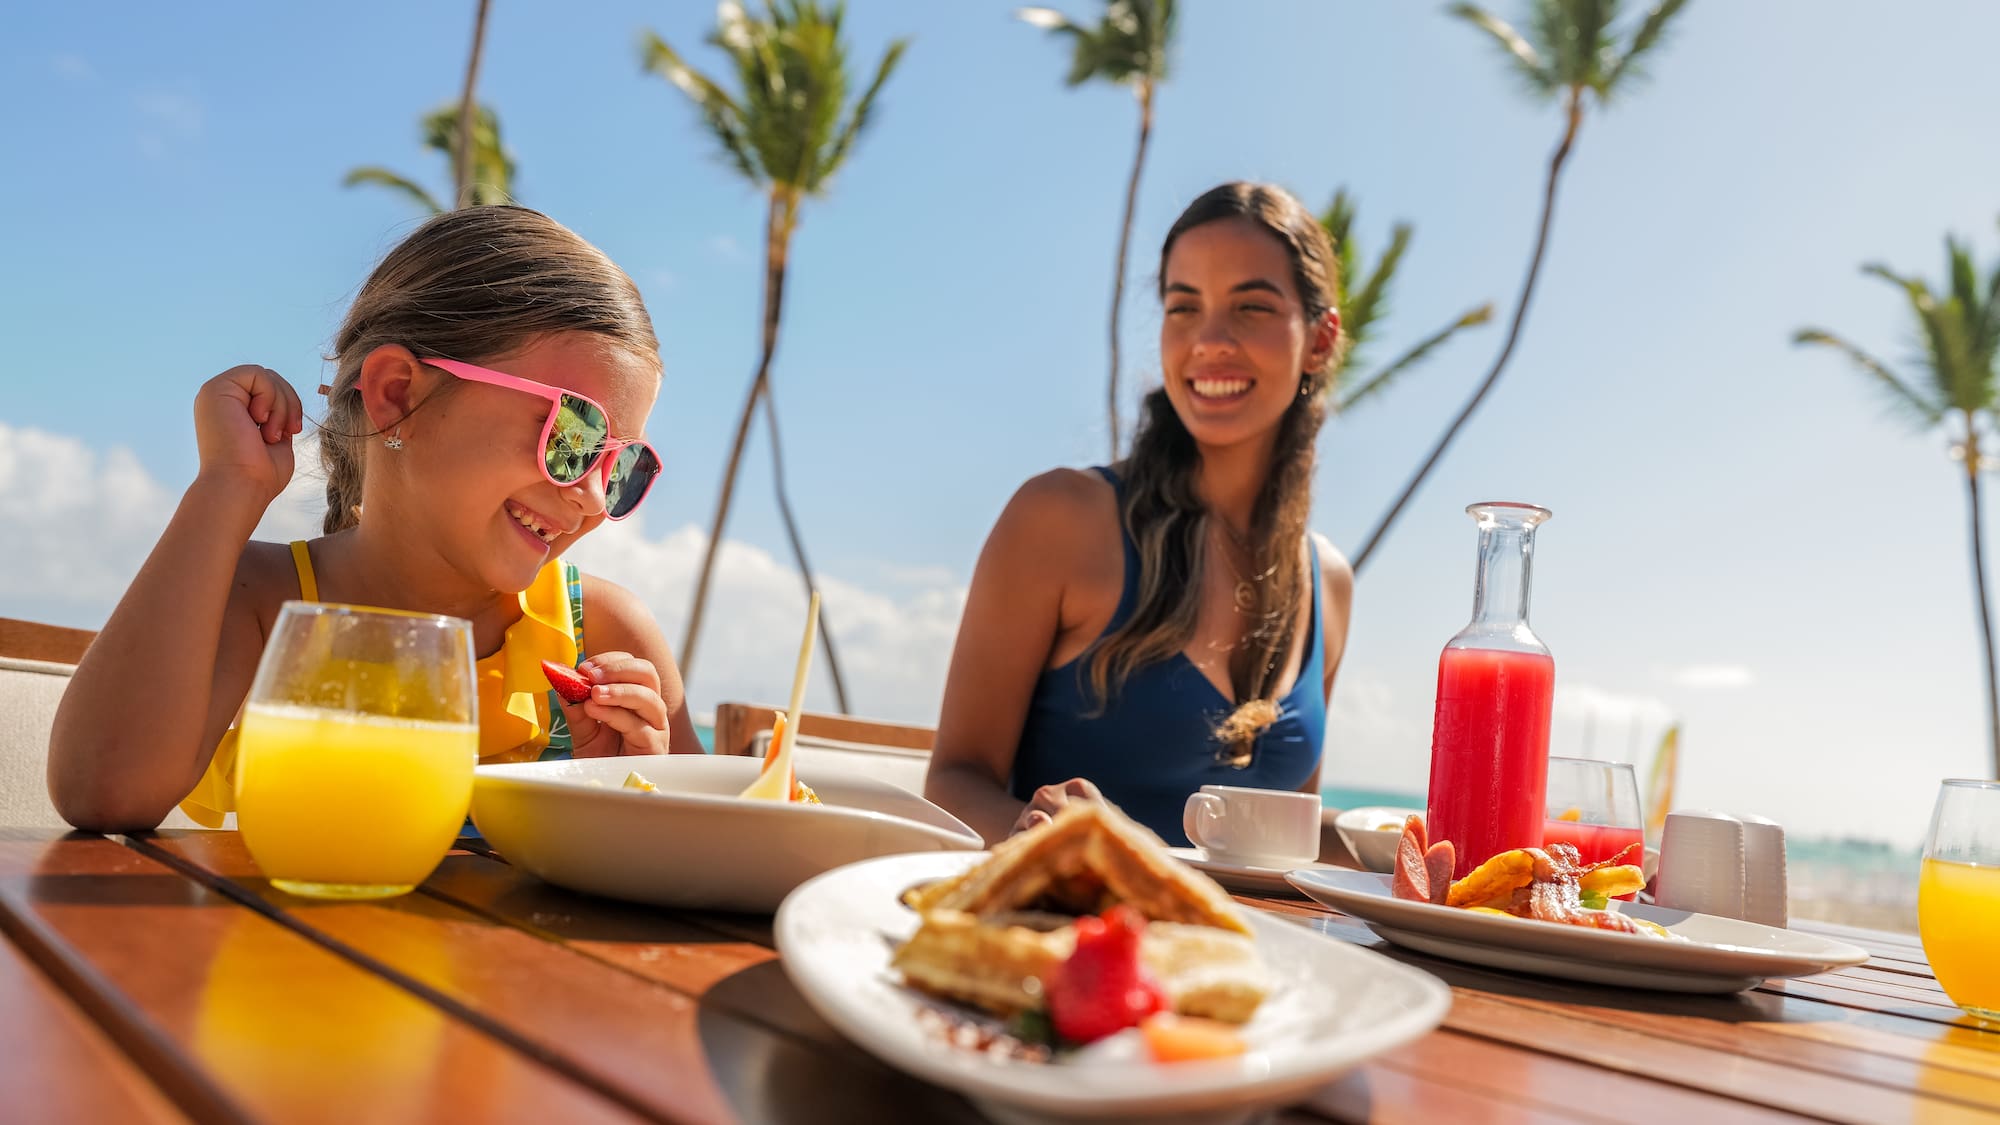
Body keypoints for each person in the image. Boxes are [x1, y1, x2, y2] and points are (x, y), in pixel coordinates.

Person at [48, 205, 703, 833]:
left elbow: (707, 856)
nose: (592, 496)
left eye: (621, 465)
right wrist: (227, 486)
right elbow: (101, 790)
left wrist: (622, 804)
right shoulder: (262, 605)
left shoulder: (607, 640)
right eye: (571, 435)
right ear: (397, 393)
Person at [925, 181, 1356, 848]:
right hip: (1062, 942)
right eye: (1183, 307)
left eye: (1251, 306)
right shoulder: (1060, 520)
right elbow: (954, 780)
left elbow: (1284, 849)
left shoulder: (1327, 583)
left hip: (1233, 951)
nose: (1210, 340)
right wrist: (1061, 839)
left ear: (1320, 341)